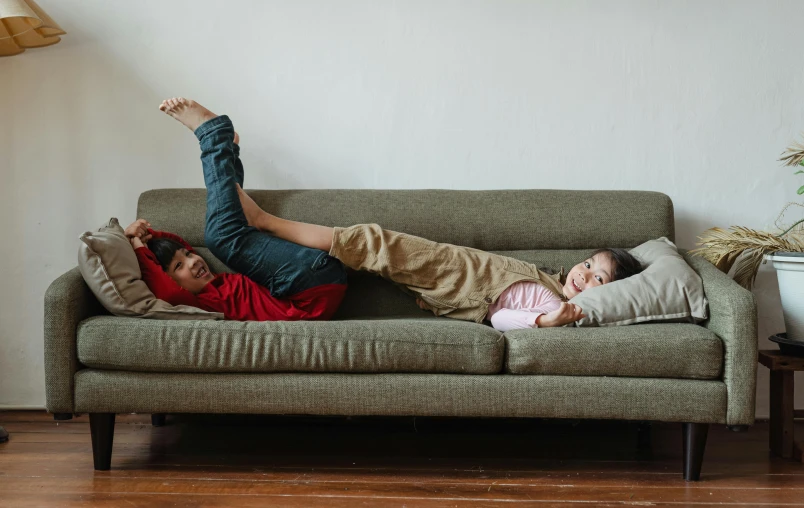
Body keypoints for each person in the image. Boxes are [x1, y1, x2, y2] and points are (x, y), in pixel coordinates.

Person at [123, 98, 349, 321]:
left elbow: (182, 242)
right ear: (171, 281)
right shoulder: (197, 303)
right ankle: (213, 137)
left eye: (189, 255)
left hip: (309, 278)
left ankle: (228, 152)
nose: (193, 261)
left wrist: (149, 236)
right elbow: (166, 290)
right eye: (179, 266)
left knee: (233, 227)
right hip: (309, 292)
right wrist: (137, 247)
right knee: (221, 238)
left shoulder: (219, 284)